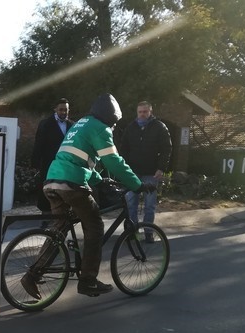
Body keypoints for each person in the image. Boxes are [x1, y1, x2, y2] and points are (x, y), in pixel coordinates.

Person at [20, 93, 151, 299]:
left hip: (52, 180)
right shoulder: (101, 128)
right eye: (114, 123)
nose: (114, 127)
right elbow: (113, 161)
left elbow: (79, 159)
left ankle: (32, 275)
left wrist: (99, 180)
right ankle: (88, 280)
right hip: (72, 185)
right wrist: (136, 184)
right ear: (111, 118)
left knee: (59, 230)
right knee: (95, 226)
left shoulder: (81, 124)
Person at [120, 101, 172, 242]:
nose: (142, 114)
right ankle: (132, 232)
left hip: (151, 173)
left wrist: (161, 168)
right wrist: (124, 169)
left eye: (145, 112)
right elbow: (123, 149)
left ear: (150, 112)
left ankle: (149, 232)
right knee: (131, 204)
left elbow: (167, 149)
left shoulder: (160, 127)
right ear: (137, 113)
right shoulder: (131, 128)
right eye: (140, 112)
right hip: (133, 173)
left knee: (150, 205)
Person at [31, 98, 73, 212]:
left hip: (66, 166)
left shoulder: (72, 125)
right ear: (55, 109)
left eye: (66, 110)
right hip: (48, 164)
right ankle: (45, 220)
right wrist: (35, 164)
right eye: (61, 110)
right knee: (47, 193)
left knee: (63, 193)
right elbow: (38, 144)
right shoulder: (45, 124)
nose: (63, 112)